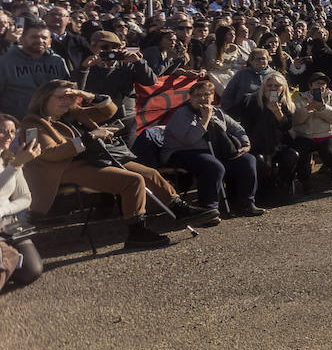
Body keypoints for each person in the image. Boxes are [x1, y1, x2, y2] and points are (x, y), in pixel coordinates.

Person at [22, 81, 213, 246]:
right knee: (133, 181)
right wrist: (89, 137)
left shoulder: (74, 113)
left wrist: (86, 95)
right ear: (45, 98)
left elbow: (109, 110)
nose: (67, 101)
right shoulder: (33, 123)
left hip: (95, 158)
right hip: (62, 168)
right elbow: (49, 155)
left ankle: (179, 208)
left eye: (69, 97)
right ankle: (137, 232)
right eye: (61, 97)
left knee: (149, 173)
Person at [163, 78, 265, 219]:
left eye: (206, 94)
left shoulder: (217, 112)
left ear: (212, 96)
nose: (202, 98)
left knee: (247, 160)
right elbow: (189, 140)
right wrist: (204, 120)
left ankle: (246, 203)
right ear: (191, 97)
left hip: (214, 150)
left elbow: (237, 128)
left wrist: (245, 143)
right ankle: (208, 209)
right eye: (198, 95)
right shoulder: (181, 114)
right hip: (183, 152)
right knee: (213, 166)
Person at [238, 71, 300, 201]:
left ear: (283, 88)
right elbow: (246, 125)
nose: (273, 89)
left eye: (277, 86)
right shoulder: (251, 100)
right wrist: (265, 110)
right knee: (260, 161)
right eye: (269, 85)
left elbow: (286, 127)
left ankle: (283, 189)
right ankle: (262, 192)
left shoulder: (285, 104)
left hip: (277, 144)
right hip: (256, 144)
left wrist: (279, 114)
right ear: (263, 86)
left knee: (292, 156)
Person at [290, 71, 332, 192]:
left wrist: (322, 108)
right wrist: (308, 109)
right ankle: (305, 183)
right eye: (317, 83)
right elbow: (296, 120)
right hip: (306, 135)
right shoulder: (300, 99)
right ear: (310, 85)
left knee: (328, 152)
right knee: (299, 153)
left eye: (323, 83)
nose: (321, 86)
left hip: (329, 135)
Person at [0, 114, 43, 286]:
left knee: (32, 271)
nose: (9, 136)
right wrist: (16, 165)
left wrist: (4, 210)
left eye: (12, 131)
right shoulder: (14, 162)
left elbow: (25, 198)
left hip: (6, 220)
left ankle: (6, 260)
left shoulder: (9, 158)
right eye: (2, 131)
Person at [0, 22, 72, 119]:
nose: (39, 40)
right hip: (17, 122)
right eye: (34, 37)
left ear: (50, 41)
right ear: (21, 40)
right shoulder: (5, 61)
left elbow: (68, 91)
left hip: (51, 122)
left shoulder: (57, 61)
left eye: (44, 38)